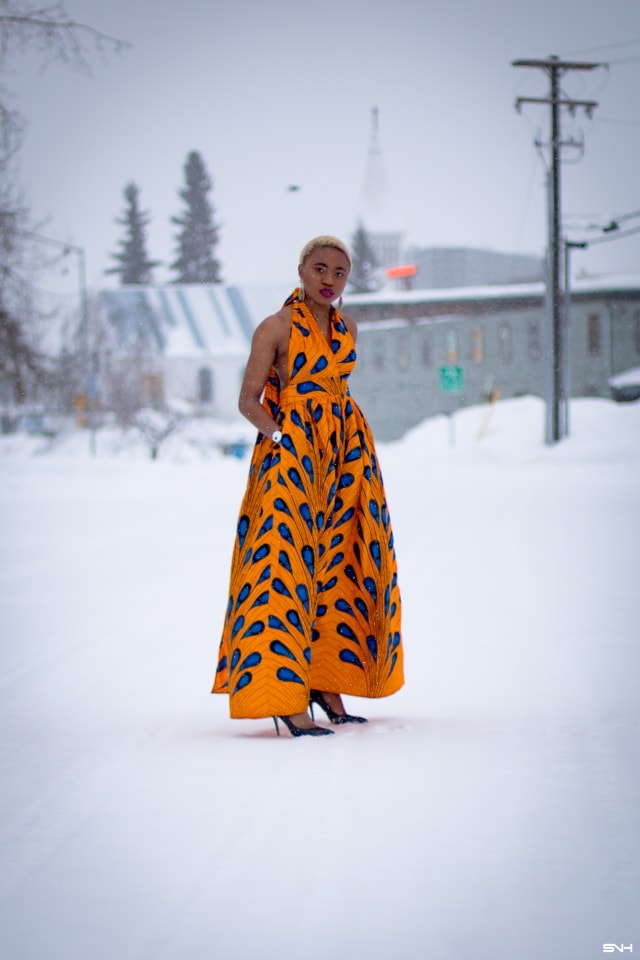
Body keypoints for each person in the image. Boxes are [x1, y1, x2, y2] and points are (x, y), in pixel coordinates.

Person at [212, 236, 403, 736]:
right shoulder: (274, 327)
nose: (328, 280)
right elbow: (248, 400)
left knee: (339, 564)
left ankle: (323, 681)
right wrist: (282, 437)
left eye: (339, 273)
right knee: (281, 568)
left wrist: (344, 439)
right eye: (319, 269)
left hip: (344, 457)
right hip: (290, 460)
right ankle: (281, 694)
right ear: (300, 270)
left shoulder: (348, 329)